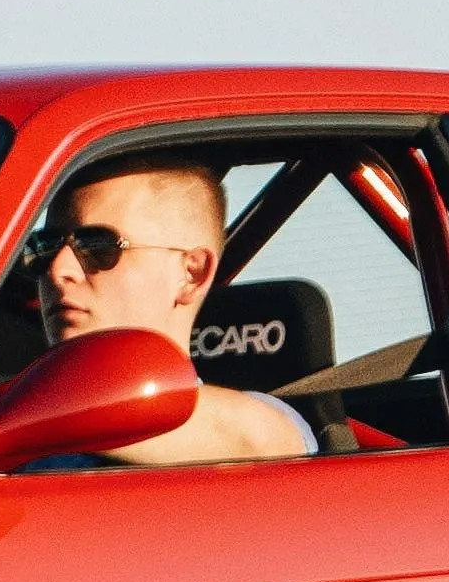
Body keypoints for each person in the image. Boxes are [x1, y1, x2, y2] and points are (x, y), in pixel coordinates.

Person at [34, 164, 317, 465]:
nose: (57, 270)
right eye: (43, 247)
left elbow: (259, 441)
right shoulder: (24, 449)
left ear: (191, 274)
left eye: (96, 245)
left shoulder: (267, 432)